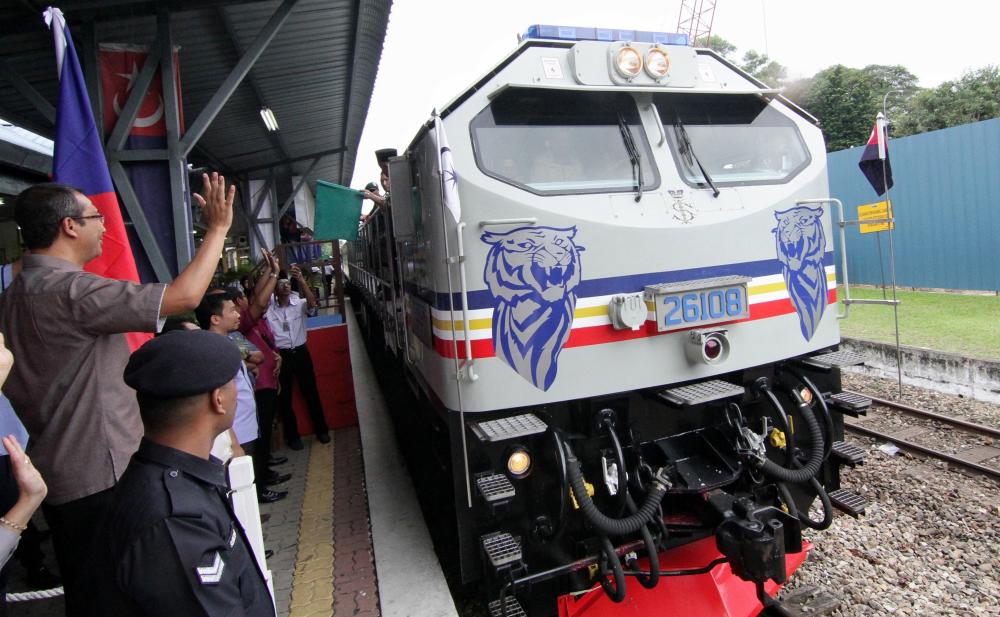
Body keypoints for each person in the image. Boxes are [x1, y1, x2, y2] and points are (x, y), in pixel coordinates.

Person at [0, 172, 234, 615]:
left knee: (93, 596)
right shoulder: (72, 290)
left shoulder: (12, 297)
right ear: (69, 227)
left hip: (58, 474)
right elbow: (184, 297)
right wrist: (218, 228)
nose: (105, 227)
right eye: (96, 217)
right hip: (105, 475)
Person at [87, 329, 274, 616]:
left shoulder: (173, 479)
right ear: (218, 400)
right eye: (233, 381)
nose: (238, 389)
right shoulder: (176, 523)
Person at [267, 265, 329, 450]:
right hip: (281, 355)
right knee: (284, 398)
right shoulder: (269, 309)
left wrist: (301, 280)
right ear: (275, 287)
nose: (285, 286)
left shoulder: (299, 302)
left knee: (311, 392)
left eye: (287, 282)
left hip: (301, 352)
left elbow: (312, 304)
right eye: (281, 283)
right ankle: (293, 437)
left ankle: (322, 430)